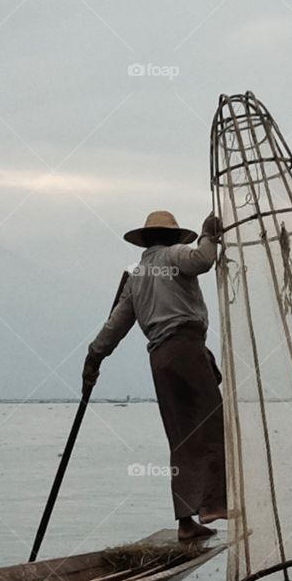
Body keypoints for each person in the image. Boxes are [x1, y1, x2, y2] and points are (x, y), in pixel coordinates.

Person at [82, 210, 228, 542]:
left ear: (146, 241)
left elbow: (115, 325)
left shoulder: (137, 276)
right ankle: (213, 504)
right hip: (186, 348)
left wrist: (94, 356)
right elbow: (204, 260)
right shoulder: (173, 256)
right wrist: (209, 234)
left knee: (180, 437)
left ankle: (186, 522)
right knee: (210, 424)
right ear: (172, 238)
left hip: (160, 360)